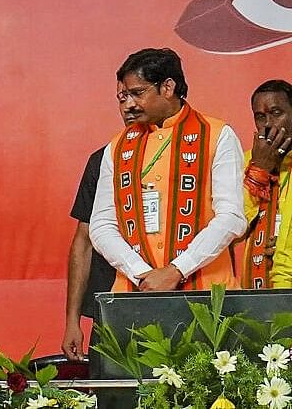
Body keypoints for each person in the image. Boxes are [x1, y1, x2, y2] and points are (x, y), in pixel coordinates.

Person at [89, 48, 247, 292]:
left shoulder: (217, 135)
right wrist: (141, 274)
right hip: (136, 291)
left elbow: (231, 217)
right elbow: (101, 224)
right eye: (125, 96)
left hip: (207, 294)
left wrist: (177, 270)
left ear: (167, 87)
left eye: (137, 93)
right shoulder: (117, 146)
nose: (129, 104)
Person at [61, 145, 119, 361]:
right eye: (120, 107)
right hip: (111, 311)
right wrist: (72, 321)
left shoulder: (191, 155)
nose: (129, 109)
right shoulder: (104, 159)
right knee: (111, 392)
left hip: (174, 300)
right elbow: (84, 242)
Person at [237, 80, 292, 288]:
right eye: (260, 116)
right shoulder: (245, 162)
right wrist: (258, 171)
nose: (267, 123)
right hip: (254, 293)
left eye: (277, 113)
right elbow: (234, 232)